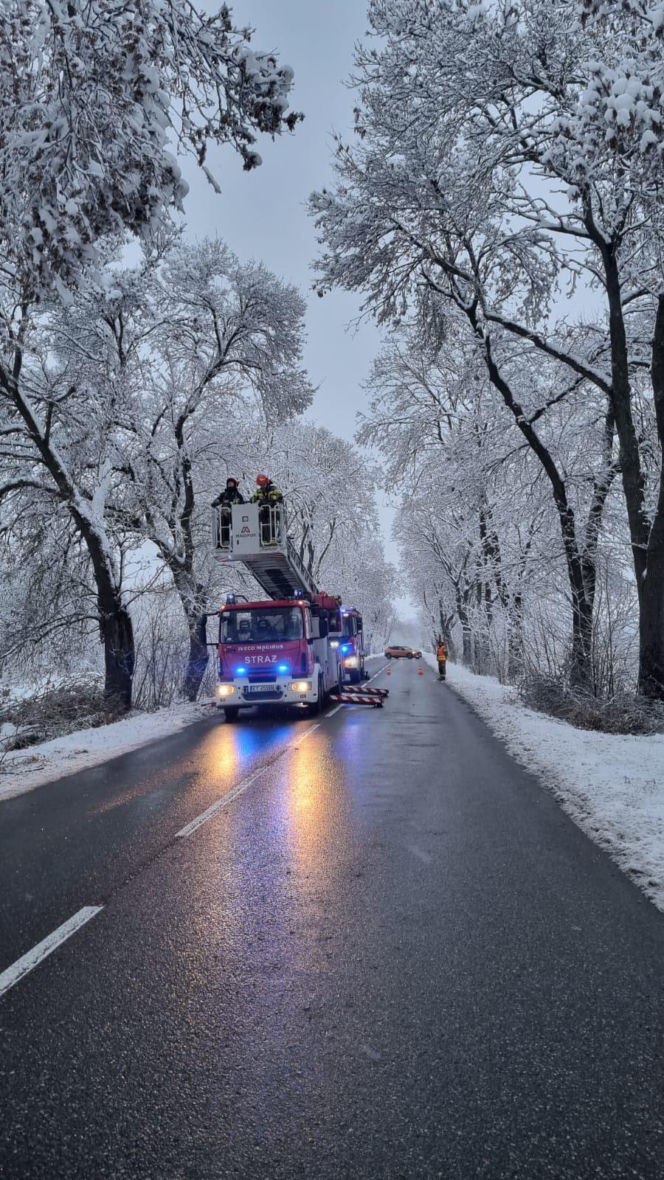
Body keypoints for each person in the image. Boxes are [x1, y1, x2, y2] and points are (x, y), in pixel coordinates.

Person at [250, 474, 283, 544]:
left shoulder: (273, 489)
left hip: (272, 509)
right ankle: (264, 539)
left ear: (267, 482)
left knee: (272, 520)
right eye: (261, 485)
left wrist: (273, 498)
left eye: (263, 484)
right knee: (262, 521)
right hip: (264, 510)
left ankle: (273, 538)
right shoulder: (259, 492)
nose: (262, 486)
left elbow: (280, 496)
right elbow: (252, 499)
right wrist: (254, 499)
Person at [211, 478, 244, 548]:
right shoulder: (223, 495)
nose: (230, 484)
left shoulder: (237, 495)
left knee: (236, 526)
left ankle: (237, 540)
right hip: (225, 515)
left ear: (234, 484)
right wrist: (216, 502)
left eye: (231, 483)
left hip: (235, 515)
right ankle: (224, 541)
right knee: (222, 524)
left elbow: (242, 503)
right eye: (228, 483)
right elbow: (217, 500)